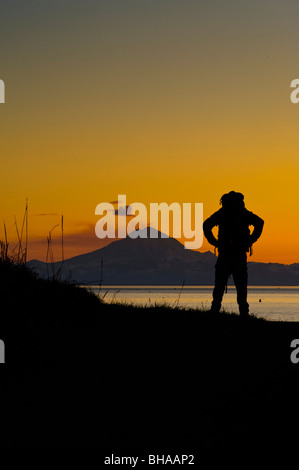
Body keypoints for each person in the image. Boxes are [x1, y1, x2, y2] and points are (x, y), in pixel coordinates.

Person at [203, 191, 264, 316]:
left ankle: (215, 310)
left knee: (220, 284)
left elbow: (206, 225)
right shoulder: (243, 213)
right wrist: (250, 240)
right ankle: (243, 313)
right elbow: (260, 222)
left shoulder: (223, 213)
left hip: (227, 253)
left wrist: (214, 242)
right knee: (240, 286)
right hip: (237, 253)